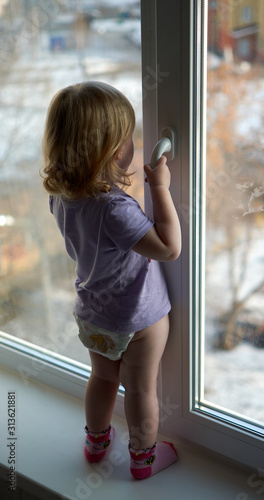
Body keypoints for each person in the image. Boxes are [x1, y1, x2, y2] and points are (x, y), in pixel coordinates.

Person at [41, 81, 181, 479]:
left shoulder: (62, 195)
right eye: (128, 138)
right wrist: (160, 187)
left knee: (102, 379)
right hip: (138, 318)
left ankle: (96, 444)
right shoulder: (114, 208)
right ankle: (143, 460)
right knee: (140, 391)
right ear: (114, 150)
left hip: (92, 312)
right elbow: (169, 248)